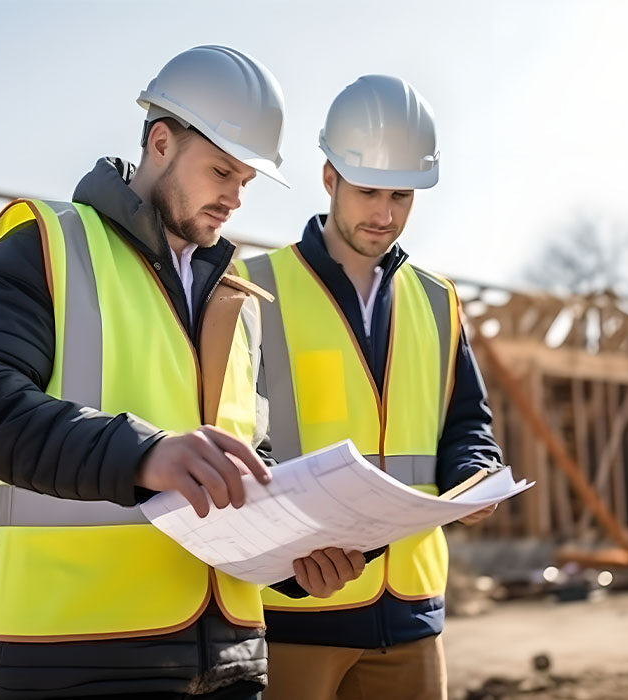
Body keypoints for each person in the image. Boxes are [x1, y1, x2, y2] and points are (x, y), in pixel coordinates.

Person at [0, 45, 294, 700]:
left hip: (235, 660)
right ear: (160, 142)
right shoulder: (51, 243)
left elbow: (243, 461)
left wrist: (302, 552)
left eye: (248, 180)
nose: (236, 198)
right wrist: (144, 453)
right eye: (221, 172)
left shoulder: (236, 300)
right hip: (80, 658)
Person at [236, 75, 504, 700]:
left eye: (402, 196)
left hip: (412, 611)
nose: (385, 215)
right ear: (328, 177)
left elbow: (467, 420)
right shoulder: (251, 288)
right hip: (295, 614)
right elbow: (235, 438)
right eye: (368, 191)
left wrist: (477, 473)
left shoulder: (438, 301)